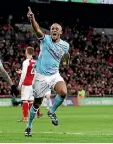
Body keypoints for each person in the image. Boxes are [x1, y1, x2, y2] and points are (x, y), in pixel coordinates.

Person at [25, 7, 70, 137]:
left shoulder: (65, 45)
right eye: (52, 29)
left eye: (57, 29)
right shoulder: (45, 40)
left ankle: (52, 111)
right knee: (37, 103)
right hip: (41, 76)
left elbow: (66, 54)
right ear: (50, 32)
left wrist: (66, 61)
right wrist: (32, 19)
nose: (54, 30)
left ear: (61, 32)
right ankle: (29, 125)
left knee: (63, 92)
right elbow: (37, 29)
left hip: (54, 75)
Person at [17, 47, 42, 122]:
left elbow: (24, 73)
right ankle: (32, 117)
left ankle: (25, 118)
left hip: (26, 83)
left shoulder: (25, 62)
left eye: (25, 51)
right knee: (31, 101)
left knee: (25, 100)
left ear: (27, 52)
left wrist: (20, 84)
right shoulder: (35, 62)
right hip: (32, 84)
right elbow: (34, 73)